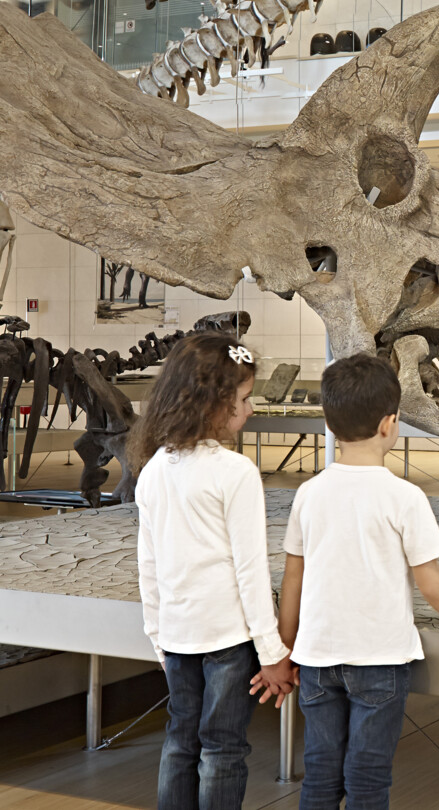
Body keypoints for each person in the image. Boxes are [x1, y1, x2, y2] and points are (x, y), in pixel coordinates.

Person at [277, 354, 439, 810]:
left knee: (320, 774)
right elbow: (430, 580)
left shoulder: (309, 492)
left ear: (328, 420)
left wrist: (287, 646)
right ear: (389, 424)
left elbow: (293, 574)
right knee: (368, 777)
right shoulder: (404, 497)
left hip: (317, 659)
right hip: (379, 660)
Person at [132, 333, 297, 810]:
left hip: (178, 639)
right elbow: (249, 570)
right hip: (228, 641)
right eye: (243, 400)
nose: (249, 410)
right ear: (212, 402)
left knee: (180, 740)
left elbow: (149, 565)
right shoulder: (235, 472)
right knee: (223, 747)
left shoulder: (153, 469)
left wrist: (157, 635)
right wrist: (272, 653)